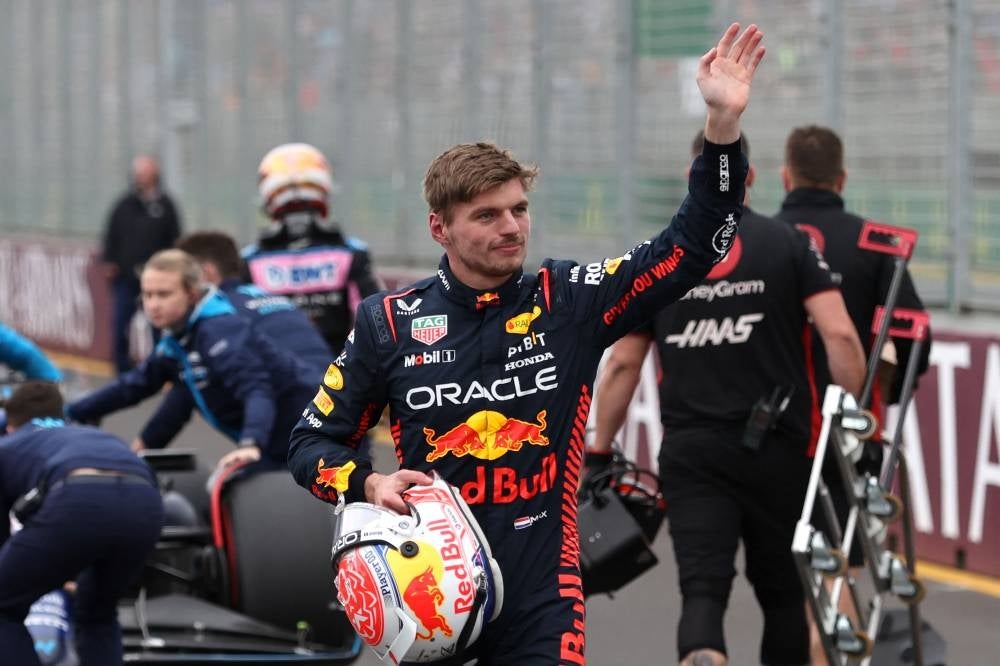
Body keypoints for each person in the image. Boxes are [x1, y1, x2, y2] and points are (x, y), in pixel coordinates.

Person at [288, 23, 766, 665]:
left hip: (545, 592)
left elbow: (691, 247)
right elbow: (308, 444)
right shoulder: (388, 323)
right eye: (487, 216)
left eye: (518, 208)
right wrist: (367, 484)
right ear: (441, 228)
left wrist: (722, 129)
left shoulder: (569, 297)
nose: (511, 226)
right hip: (431, 593)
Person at [588, 130, 866, 666]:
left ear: (694, 182)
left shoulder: (662, 258)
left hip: (692, 454)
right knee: (785, 596)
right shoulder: (788, 242)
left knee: (702, 592)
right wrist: (847, 417)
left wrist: (599, 448)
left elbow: (623, 362)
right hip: (781, 450)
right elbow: (842, 337)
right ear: (753, 179)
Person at [773, 124, 933, 664]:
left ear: (785, 175)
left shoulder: (767, 240)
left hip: (776, 437)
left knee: (796, 590)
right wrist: (891, 383)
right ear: (842, 178)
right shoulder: (876, 244)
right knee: (837, 576)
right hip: (849, 440)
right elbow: (914, 336)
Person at [66, 249, 317, 475]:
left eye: (163, 295)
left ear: (192, 294)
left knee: (227, 492)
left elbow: (256, 389)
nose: (153, 305)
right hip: (279, 442)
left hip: (307, 437)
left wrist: (251, 444)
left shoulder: (217, 330)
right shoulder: (179, 340)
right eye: (147, 295)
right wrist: (71, 412)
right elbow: (136, 386)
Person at [0, 381, 164, 666]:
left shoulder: (9, 444)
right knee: (98, 613)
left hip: (77, 500)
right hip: (146, 502)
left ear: (11, 426)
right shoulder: (91, 433)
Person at [127, 231, 334, 454]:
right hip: (342, 407)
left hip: (300, 425)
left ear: (205, 273)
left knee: (231, 484)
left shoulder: (217, 316)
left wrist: (139, 450)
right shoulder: (266, 295)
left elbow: (188, 388)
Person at [242, 142, 382, 355]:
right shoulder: (351, 253)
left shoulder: (250, 261)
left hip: (276, 372)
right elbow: (376, 316)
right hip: (340, 372)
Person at [102, 155, 183, 374]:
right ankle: (122, 369)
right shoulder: (124, 204)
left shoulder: (165, 205)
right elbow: (111, 235)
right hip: (126, 277)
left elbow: (175, 239)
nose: (140, 178)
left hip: (156, 278)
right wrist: (110, 261)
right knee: (120, 324)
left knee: (158, 324)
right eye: (138, 174)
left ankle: (160, 367)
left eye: (144, 173)